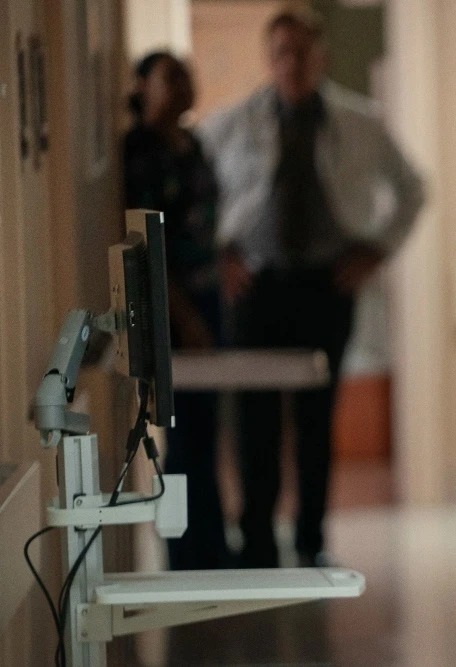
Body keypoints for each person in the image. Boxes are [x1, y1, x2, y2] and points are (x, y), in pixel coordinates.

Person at [199, 7, 425, 568]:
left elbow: (412, 189)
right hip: (257, 287)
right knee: (254, 420)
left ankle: (311, 538)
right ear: (269, 58)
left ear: (321, 56)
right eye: (282, 52)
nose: (292, 63)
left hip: (325, 286)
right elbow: (196, 197)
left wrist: (376, 251)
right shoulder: (233, 123)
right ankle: (255, 540)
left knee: (315, 420)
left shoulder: (360, 121)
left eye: (302, 52)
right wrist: (219, 254)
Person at [122, 51, 229, 571]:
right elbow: (148, 243)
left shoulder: (194, 143)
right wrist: (182, 316)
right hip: (172, 306)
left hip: (210, 296)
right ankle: (185, 554)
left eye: (188, 74)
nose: (185, 85)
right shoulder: (138, 151)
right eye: (171, 77)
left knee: (207, 431)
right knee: (181, 435)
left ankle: (214, 546)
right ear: (143, 86)